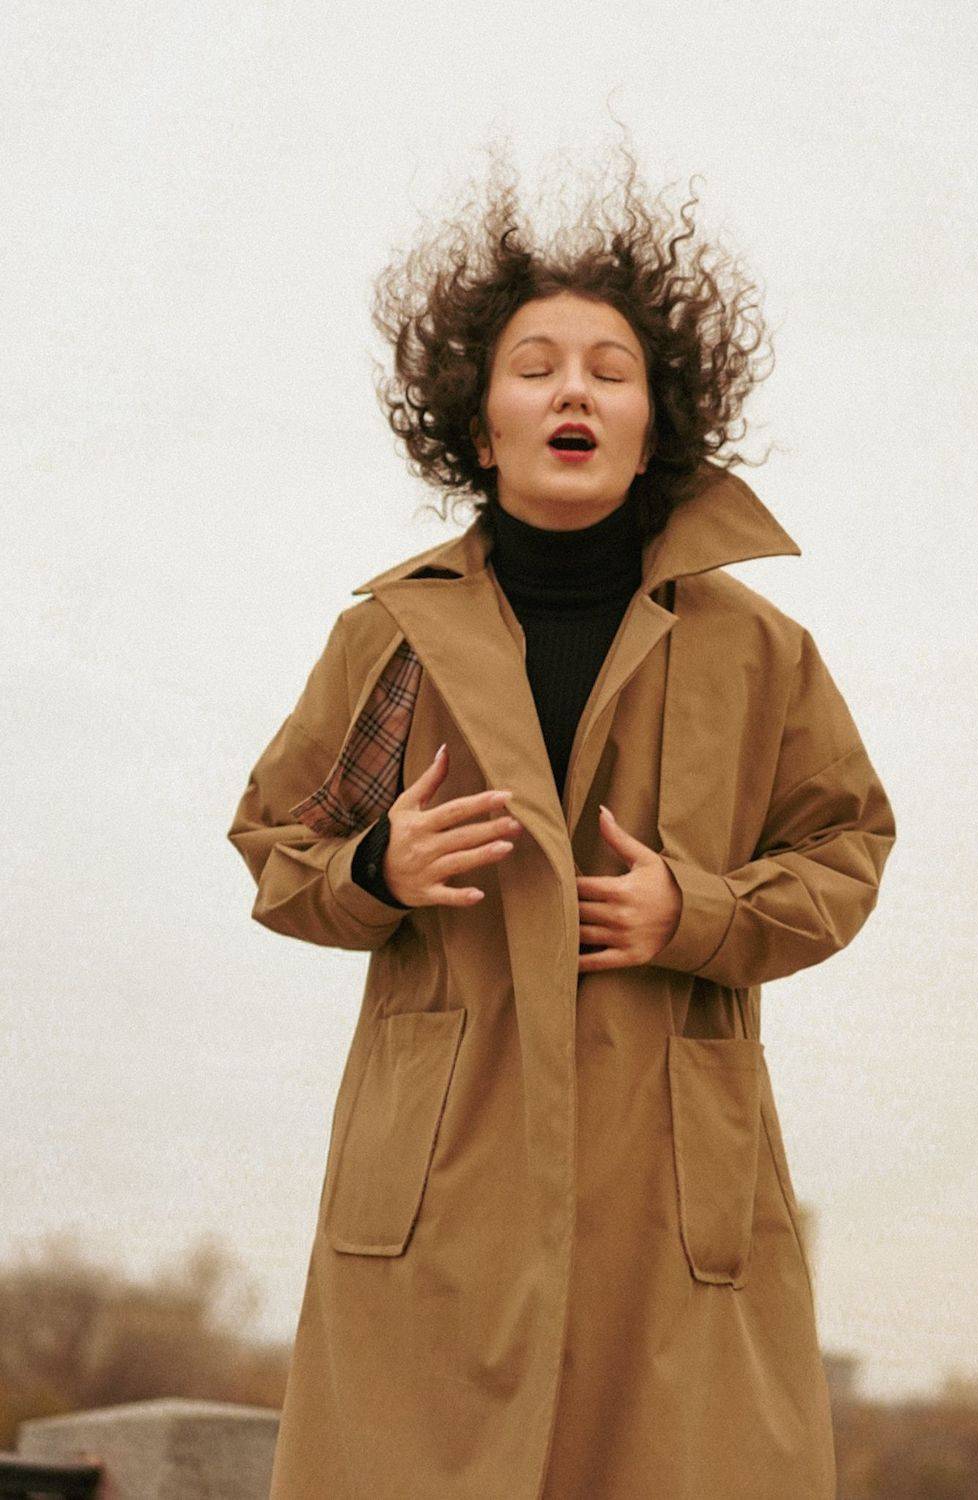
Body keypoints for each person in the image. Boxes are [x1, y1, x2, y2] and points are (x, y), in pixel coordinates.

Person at [227, 144, 896, 1500]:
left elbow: (847, 851)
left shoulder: (760, 651)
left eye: (609, 370)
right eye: (534, 368)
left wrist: (695, 912)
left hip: (671, 1183)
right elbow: (277, 849)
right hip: (440, 1176)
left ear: (657, 424)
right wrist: (379, 865)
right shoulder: (389, 640)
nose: (573, 389)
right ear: (480, 430)